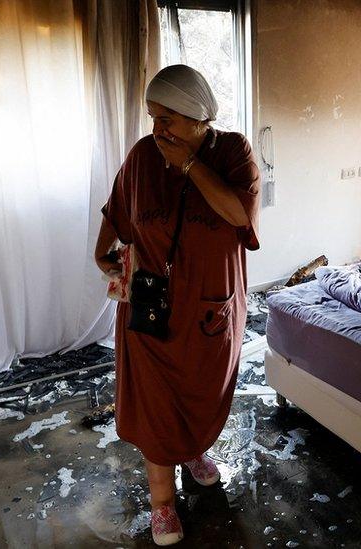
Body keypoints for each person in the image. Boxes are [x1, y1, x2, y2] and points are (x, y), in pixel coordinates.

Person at [94, 64, 260, 545]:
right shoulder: (143, 156)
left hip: (211, 307)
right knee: (154, 405)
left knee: (203, 391)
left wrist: (189, 165)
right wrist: (103, 253)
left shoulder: (232, 151)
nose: (156, 129)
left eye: (167, 118)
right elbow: (117, 210)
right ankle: (162, 504)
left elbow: (238, 213)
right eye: (152, 117)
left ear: (198, 116)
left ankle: (190, 451)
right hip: (151, 306)